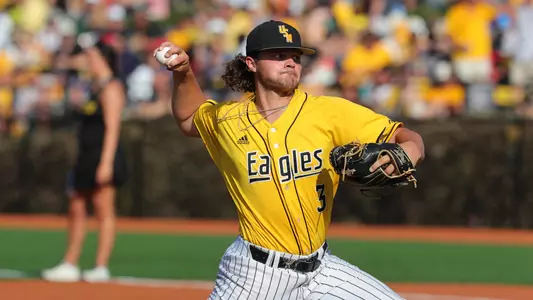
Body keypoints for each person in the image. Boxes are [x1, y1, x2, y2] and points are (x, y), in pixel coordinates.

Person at [155, 20, 424, 299]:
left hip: (321, 270)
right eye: (279, 56)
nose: (290, 63)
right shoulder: (228, 120)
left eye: (295, 57)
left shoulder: (329, 111)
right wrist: (184, 73)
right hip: (254, 276)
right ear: (252, 63)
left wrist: (411, 151)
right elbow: (189, 118)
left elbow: (406, 136)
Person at [42, 34, 128, 282]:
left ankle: (100, 266)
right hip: (86, 155)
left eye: (90, 56)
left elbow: (113, 128)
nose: (86, 60)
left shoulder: (112, 86)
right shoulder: (92, 86)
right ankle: (70, 262)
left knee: (103, 209)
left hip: (102, 155)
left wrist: (106, 163)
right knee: (76, 207)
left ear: (102, 58)